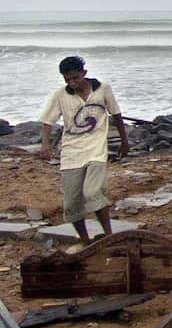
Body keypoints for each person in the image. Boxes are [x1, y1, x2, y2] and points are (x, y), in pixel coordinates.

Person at [38, 55, 128, 242]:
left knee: (93, 193)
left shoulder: (103, 89)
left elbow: (117, 114)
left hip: (96, 149)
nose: (72, 83)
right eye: (67, 79)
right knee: (71, 202)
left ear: (84, 73)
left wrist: (124, 141)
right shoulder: (60, 95)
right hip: (71, 152)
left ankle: (108, 234)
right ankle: (86, 239)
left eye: (75, 78)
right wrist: (45, 144)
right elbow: (48, 121)